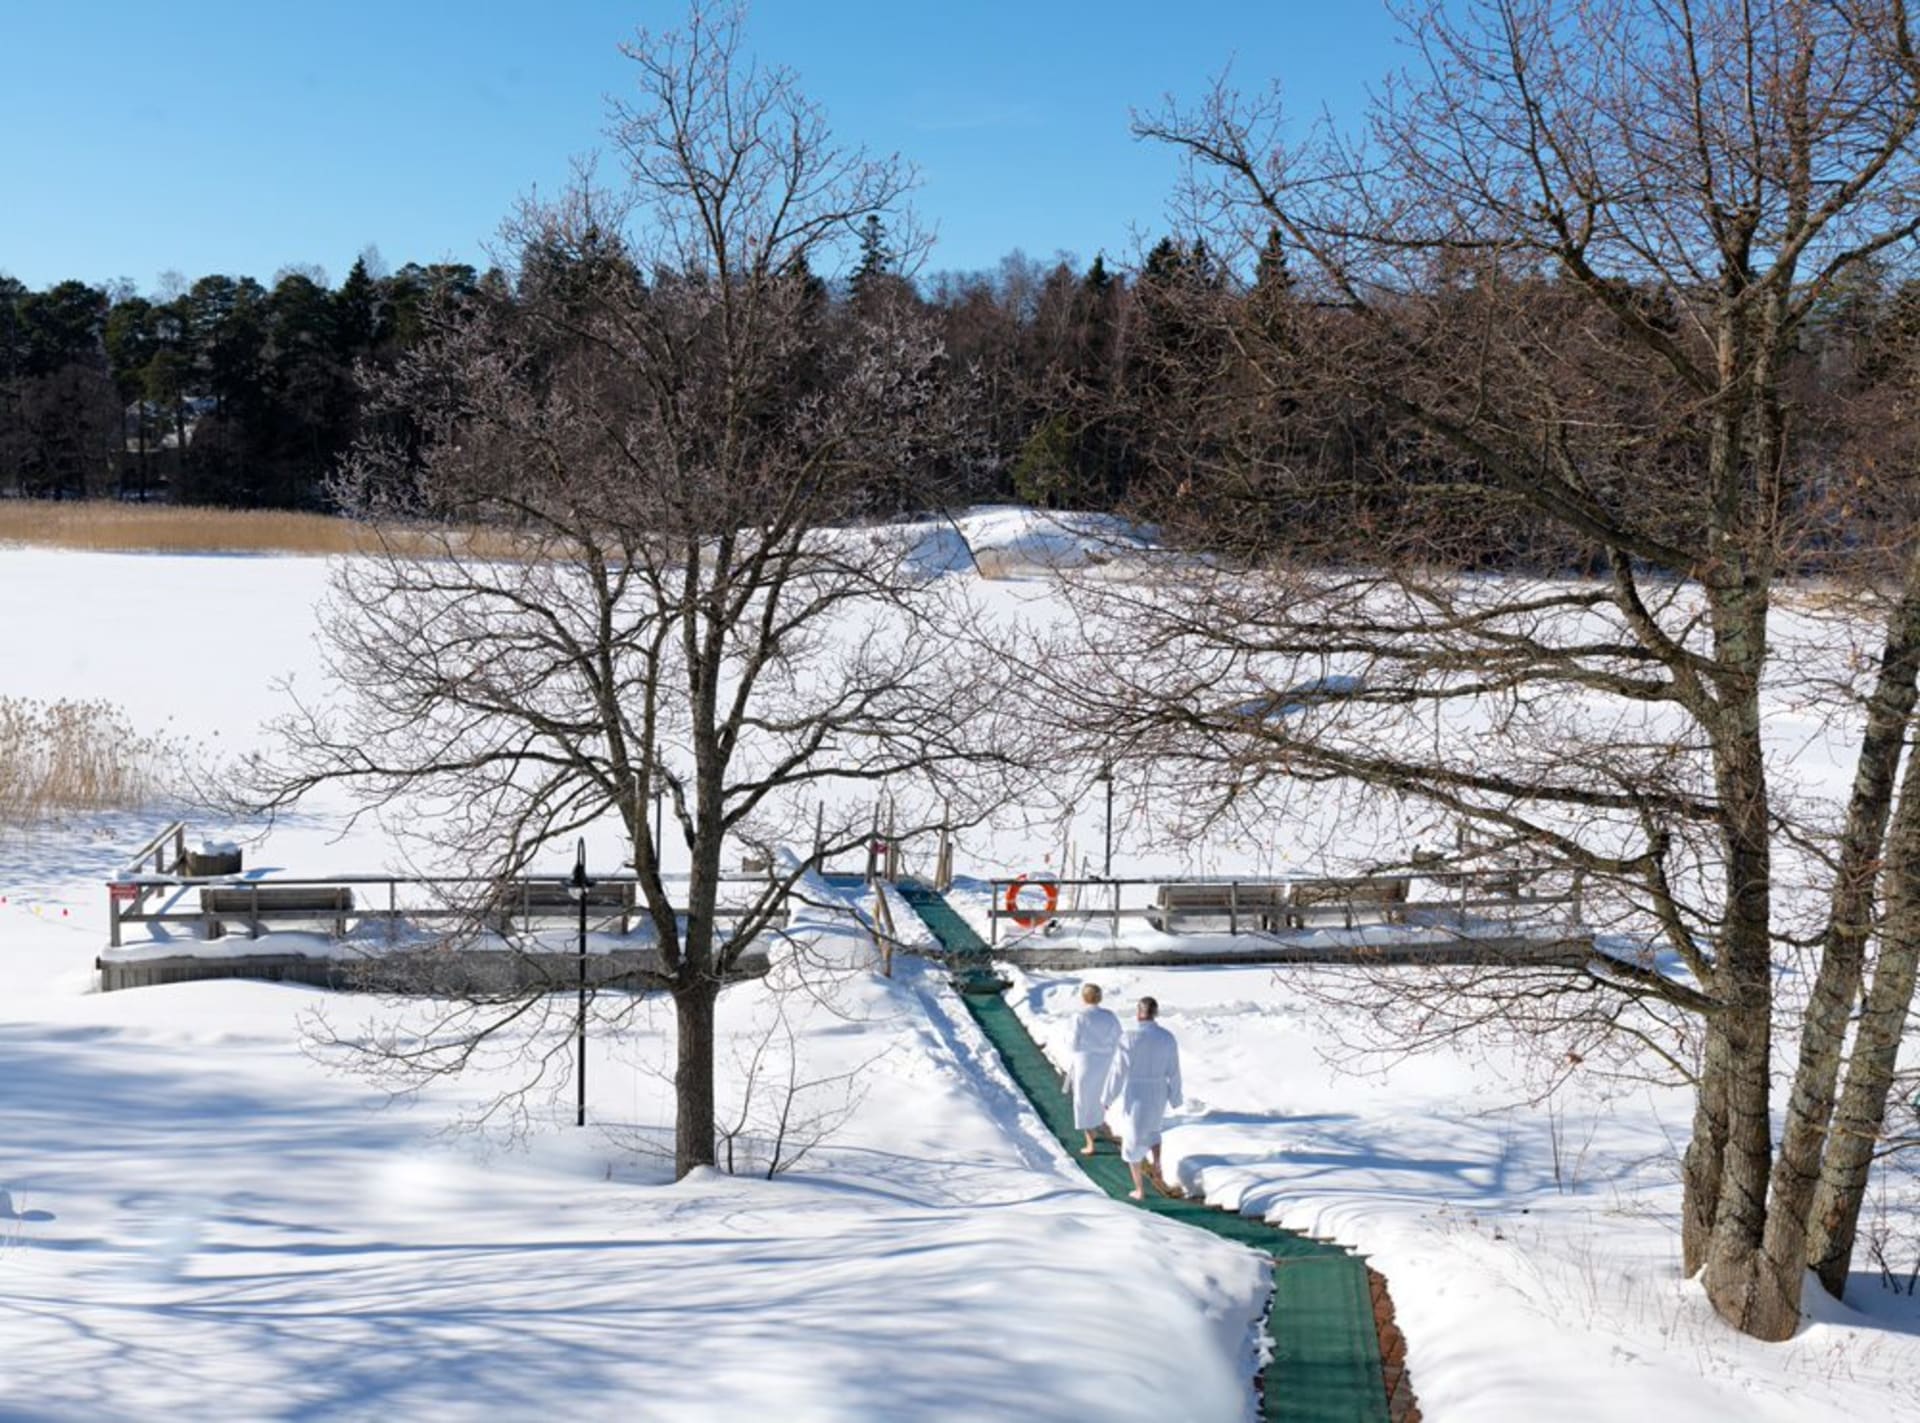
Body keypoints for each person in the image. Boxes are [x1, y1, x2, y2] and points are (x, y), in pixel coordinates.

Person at [1103, 996, 1183, 1200]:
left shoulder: (1128, 1038)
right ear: (1155, 1013)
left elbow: (1117, 1071)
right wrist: (1175, 1097)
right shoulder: (1167, 1037)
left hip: (1137, 1090)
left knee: (1132, 1137)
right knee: (1154, 1129)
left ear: (1138, 1013)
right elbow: (1174, 1071)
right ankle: (1156, 1162)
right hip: (1158, 1090)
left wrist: (1107, 1097)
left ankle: (1139, 1189)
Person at [1065, 983, 1123, 1156]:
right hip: (1105, 1061)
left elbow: (1073, 1043)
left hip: (1086, 1061)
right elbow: (1119, 1038)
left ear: (1083, 998)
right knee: (1100, 1096)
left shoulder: (1079, 1017)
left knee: (1083, 1099)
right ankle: (1097, 1125)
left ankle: (1090, 1142)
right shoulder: (1110, 1016)